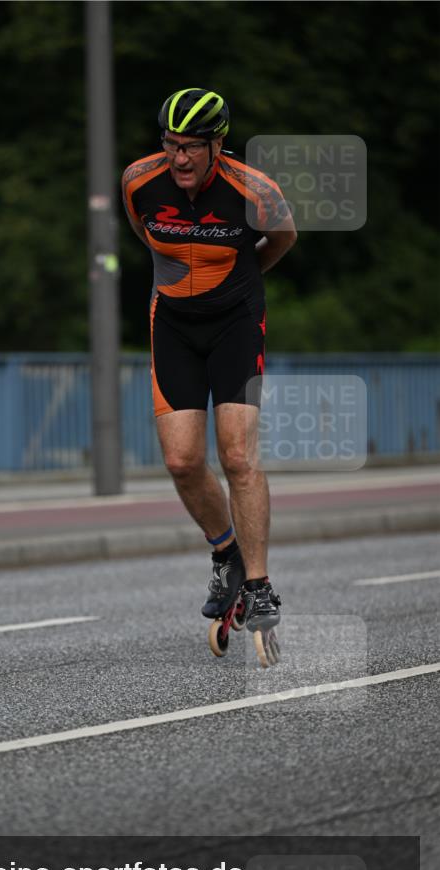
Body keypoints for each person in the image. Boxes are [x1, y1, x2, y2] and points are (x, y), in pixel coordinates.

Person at [122, 87, 297, 636]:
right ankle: (227, 554)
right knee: (181, 460)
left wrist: (240, 287)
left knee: (238, 456)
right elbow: (143, 238)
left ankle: (260, 585)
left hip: (235, 325)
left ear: (218, 144)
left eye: (192, 147)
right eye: (171, 145)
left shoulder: (255, 191)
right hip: (172, 324)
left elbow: (283, 239)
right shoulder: (137, 183)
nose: (179, 159)